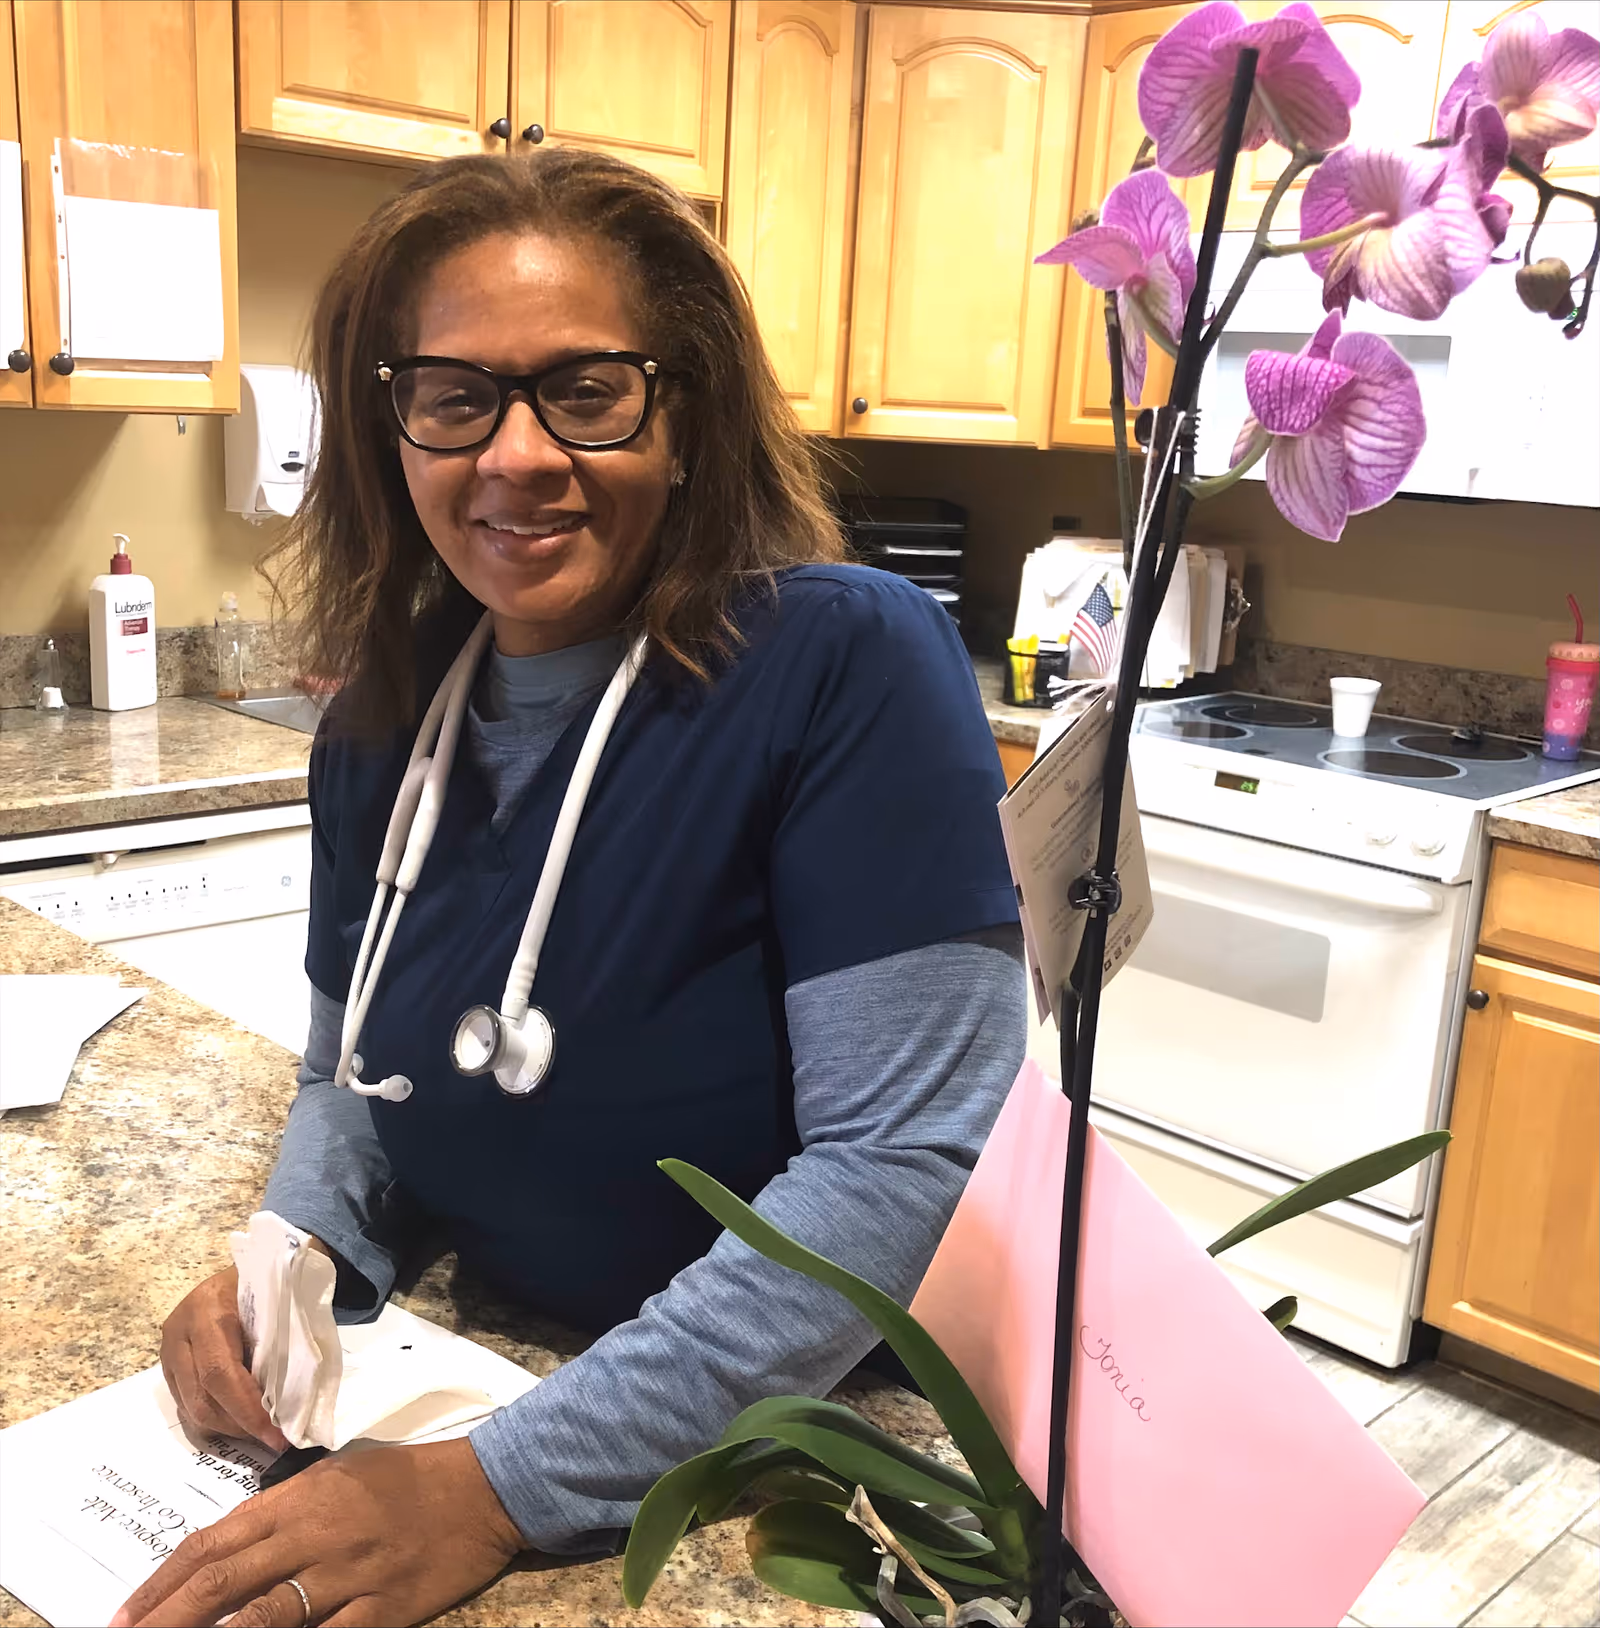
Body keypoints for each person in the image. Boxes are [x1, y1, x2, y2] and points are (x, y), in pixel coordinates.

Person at [115, 147, 1023, 1628]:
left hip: (789, 1454)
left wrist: (492, 1490)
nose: (515, 456)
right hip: (476, 1363)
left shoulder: (843, 665)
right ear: (391, 428)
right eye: (453, 396)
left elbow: (892, 1166)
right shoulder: (377, 721)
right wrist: (289, 1254)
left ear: (686, 412)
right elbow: (352, 1073)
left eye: (587, 389)